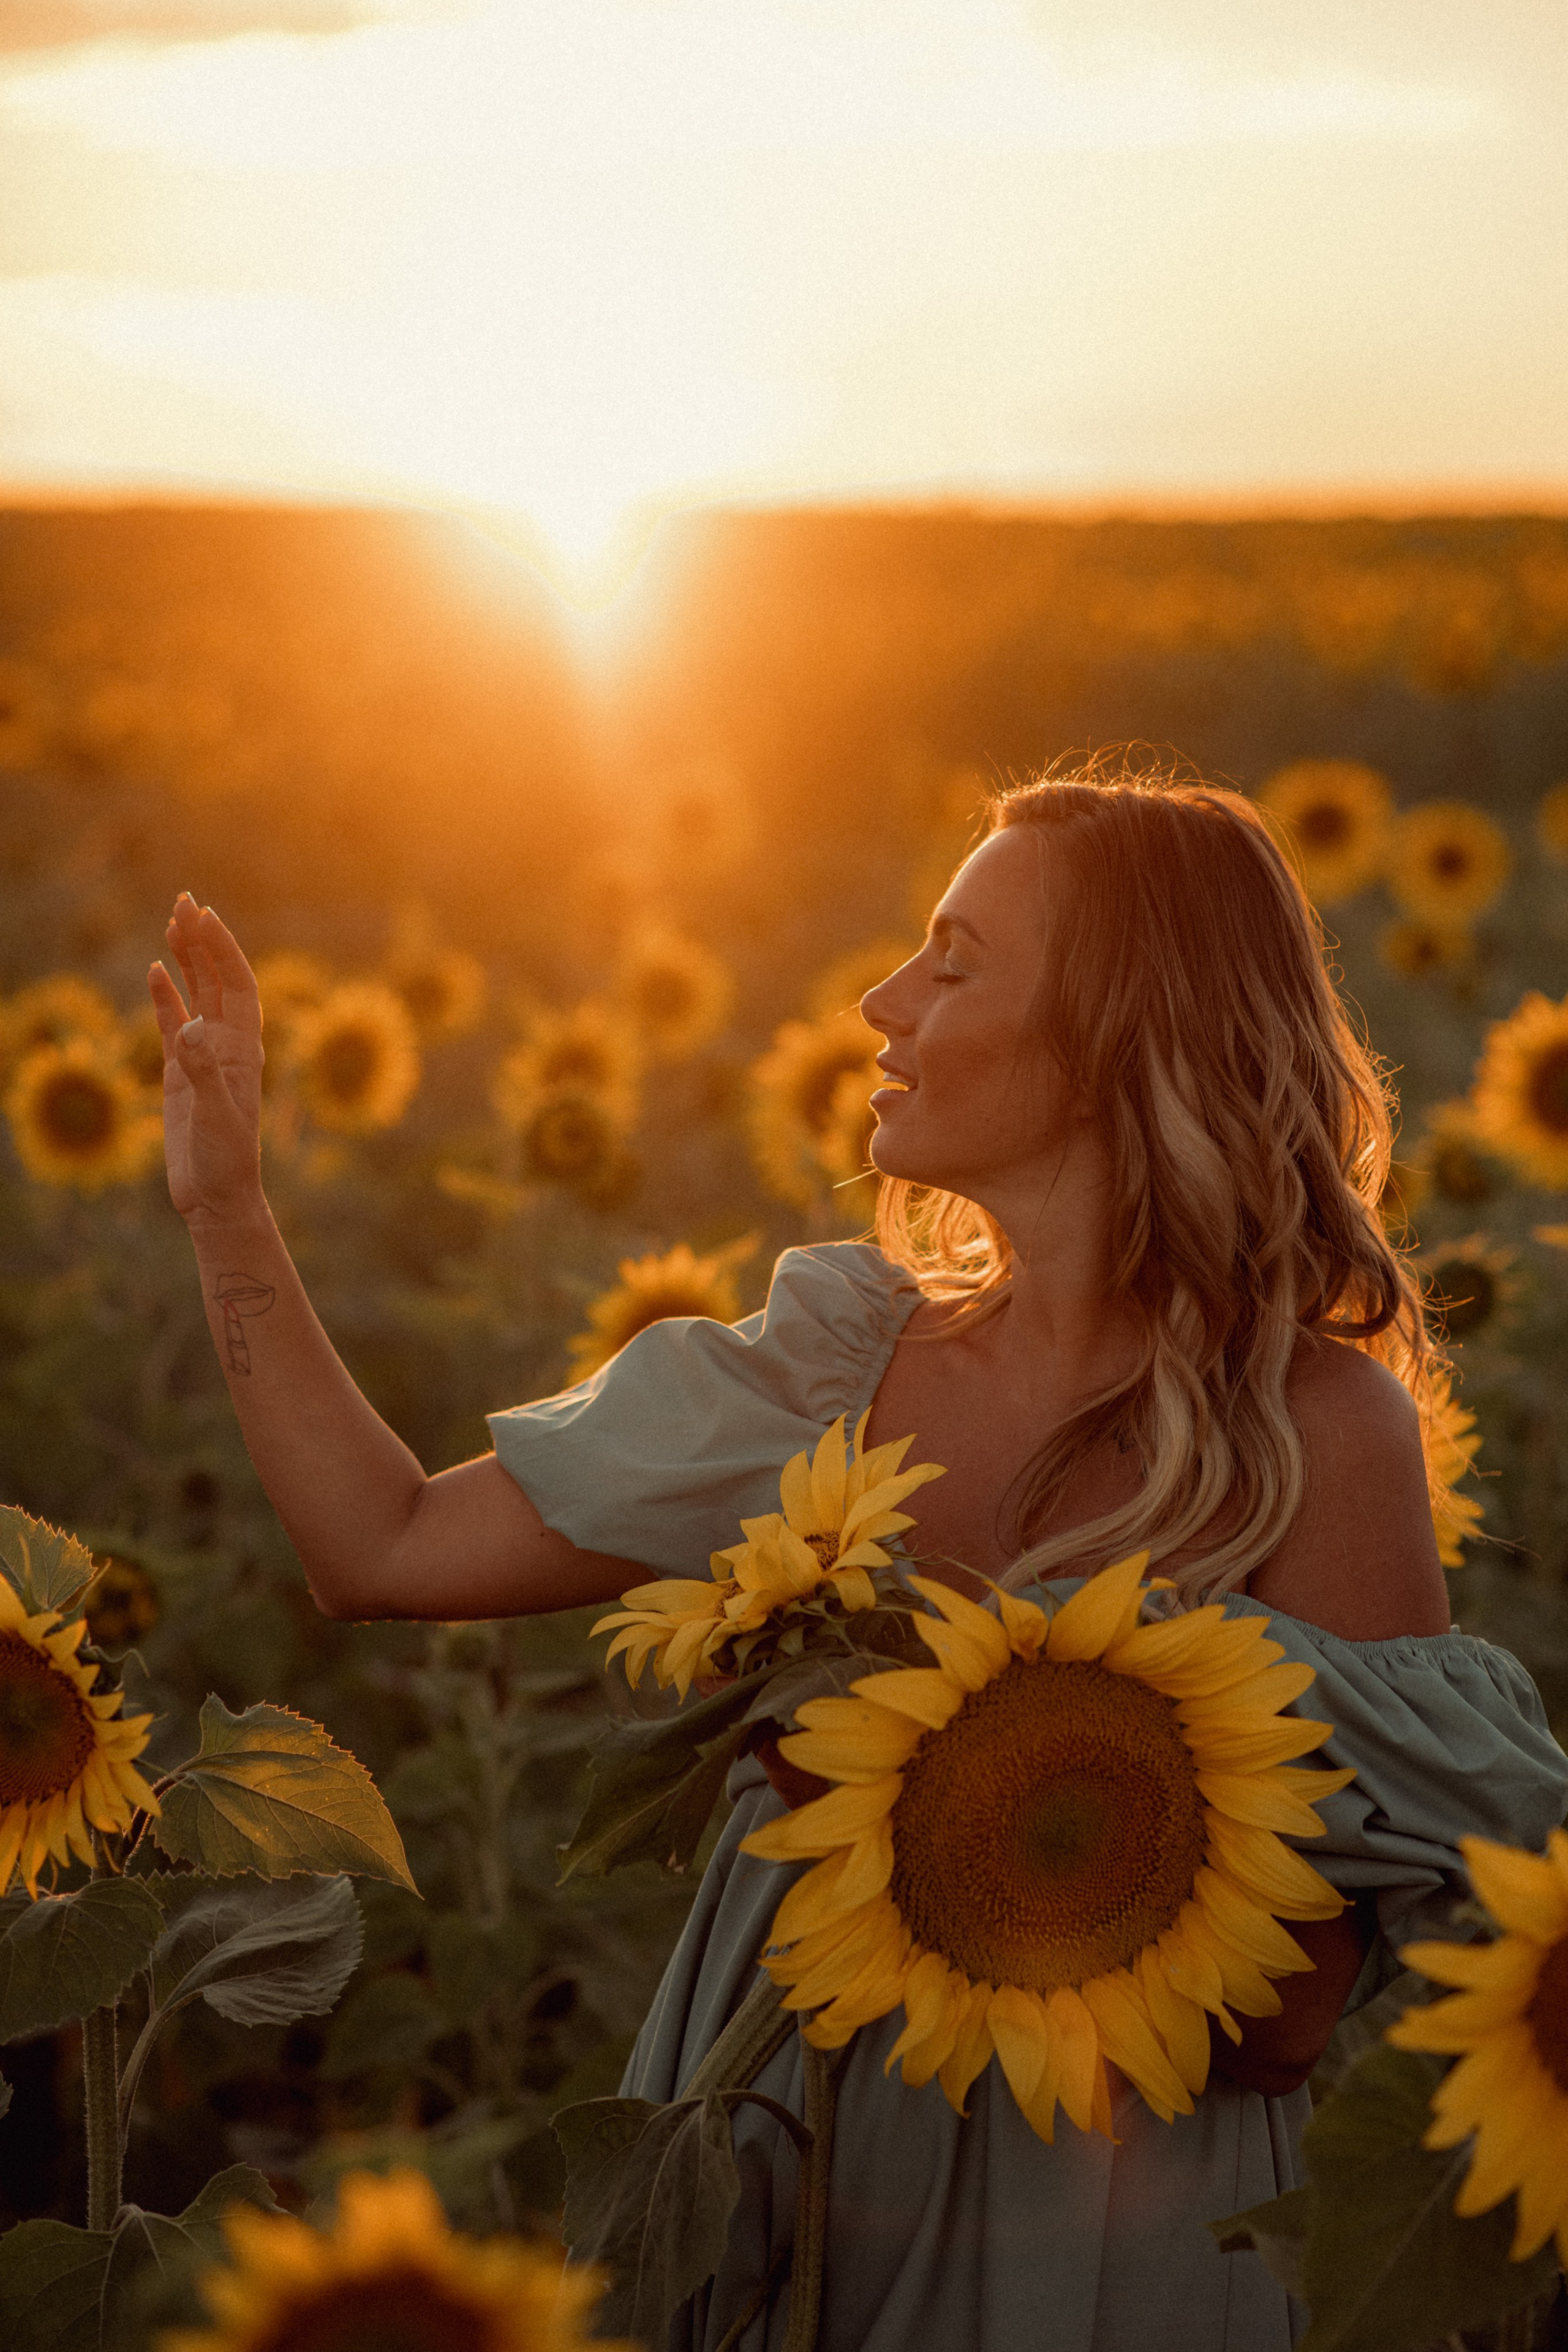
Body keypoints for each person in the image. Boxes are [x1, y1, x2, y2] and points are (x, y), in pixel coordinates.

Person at [149, 769, 1567, 2352]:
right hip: (796, 2197)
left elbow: (1294, 2019)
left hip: (1128, 2254)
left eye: (956, 964)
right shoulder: (831, 1377)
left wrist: (947, 1804)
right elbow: (383, 1542)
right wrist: (228, 1210)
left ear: (1117, 1035)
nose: (886, 1002)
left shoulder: (1318, 1436)